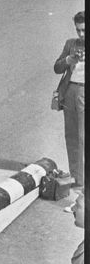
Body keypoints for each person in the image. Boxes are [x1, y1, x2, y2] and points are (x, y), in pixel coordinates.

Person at [53, 11, 85, 190]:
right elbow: (57, 68)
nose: (80, 34)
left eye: (84, 30)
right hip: (70, 91)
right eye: (78, 30)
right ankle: (76, 177)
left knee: (83, 138)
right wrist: (68, 59)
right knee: (71, 136)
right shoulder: (71, 44)